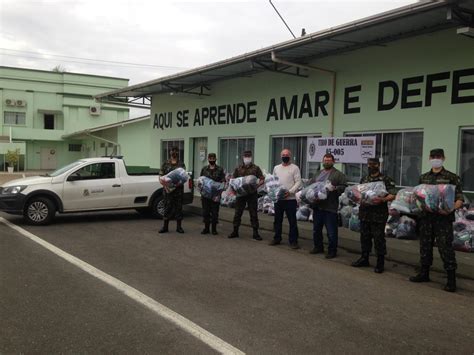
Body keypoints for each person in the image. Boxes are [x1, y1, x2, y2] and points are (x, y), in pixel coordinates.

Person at [409, 148, 464, 292]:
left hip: (443, 219)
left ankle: (451, 280)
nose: (436, 159)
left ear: (443, 158)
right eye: (433, 156)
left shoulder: (451, 177)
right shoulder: (424, 177)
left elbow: (459, 198)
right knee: (425, 246)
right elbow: (419, 196)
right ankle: (424, 273)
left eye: (438, 156)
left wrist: (451, 208)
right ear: (429, 158)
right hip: (426, 218)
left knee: (445, 248)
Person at [351, 158, 397, 273]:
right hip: (365, 212)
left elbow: (393, 194)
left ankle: (380, 262)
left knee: (378, 239)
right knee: (364, 237)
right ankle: (364, 258)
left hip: (378, 214)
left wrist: (383, 199)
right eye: (369, 164)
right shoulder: (364, 179)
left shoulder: (385, 179)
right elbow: (359, 192)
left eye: (374, 164)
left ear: (378, 165)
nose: (371, 166)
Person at [310, 153, 347, 258]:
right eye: (325, 160)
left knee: (331, 232)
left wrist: (335, 188)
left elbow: (344, 186)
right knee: (316, 229)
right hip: (317, 206)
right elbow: (311, 185)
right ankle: (318, 247)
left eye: (329, 160)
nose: (327, 162)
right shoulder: (318, 173)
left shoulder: (338, 174)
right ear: (323, 161)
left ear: (333, 162)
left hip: (330, 207)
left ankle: (332, 251)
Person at [228, 150, 265, 240]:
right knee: (237, 213)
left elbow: (262, 179)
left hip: (252, 194)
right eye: (246, 156)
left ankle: (255, 233)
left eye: (249, 156)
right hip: (241, 194)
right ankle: (235, 231)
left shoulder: (256, 168)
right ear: (243, 157)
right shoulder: (238, 168)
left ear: (251, 157)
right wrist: (232, 190)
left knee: (253, 214)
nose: (247, 157)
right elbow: (233, 180)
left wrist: (257, 185)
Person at [269, 149, 302, 249]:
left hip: (290, 199)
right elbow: (273, 181)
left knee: (292, 221)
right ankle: (277, 238)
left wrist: (290, 191)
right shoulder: (276, 168)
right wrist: (273, 192)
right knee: (277, 220)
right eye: (283, 154)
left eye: (287, 155)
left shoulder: (295, 168)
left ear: (290, 156)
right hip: (279, 199)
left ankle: (293, 241)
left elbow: (298, 182)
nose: (285, 156)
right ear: (281, 156)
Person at [158, 147, 186, 234]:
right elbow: (160, 176)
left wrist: (178, 183)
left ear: (178, 152)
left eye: (176, 151)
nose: (174, 153)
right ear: (170, 152)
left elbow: (184, 176)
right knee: (167, 207)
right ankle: (165, 227)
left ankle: (179, 227)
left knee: (179, 208)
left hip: (178, 190)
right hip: (168, 190)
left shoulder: (181, 164)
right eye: (172, 151)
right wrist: (164, 183)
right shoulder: (165, 163)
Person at [199, 153, 225, 235]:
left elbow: (223, 182)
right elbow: (201, 181)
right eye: (210, 158)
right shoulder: (204, 169)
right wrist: (200, 189)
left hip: (215, 195)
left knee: (214, 213)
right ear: (208, 159)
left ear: (216, 159)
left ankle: (214, 229)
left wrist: (220, 191)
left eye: (213, 158)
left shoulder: (220, 169)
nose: (212, 160)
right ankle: (206, 228)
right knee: (206, 212)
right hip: (205, 195)